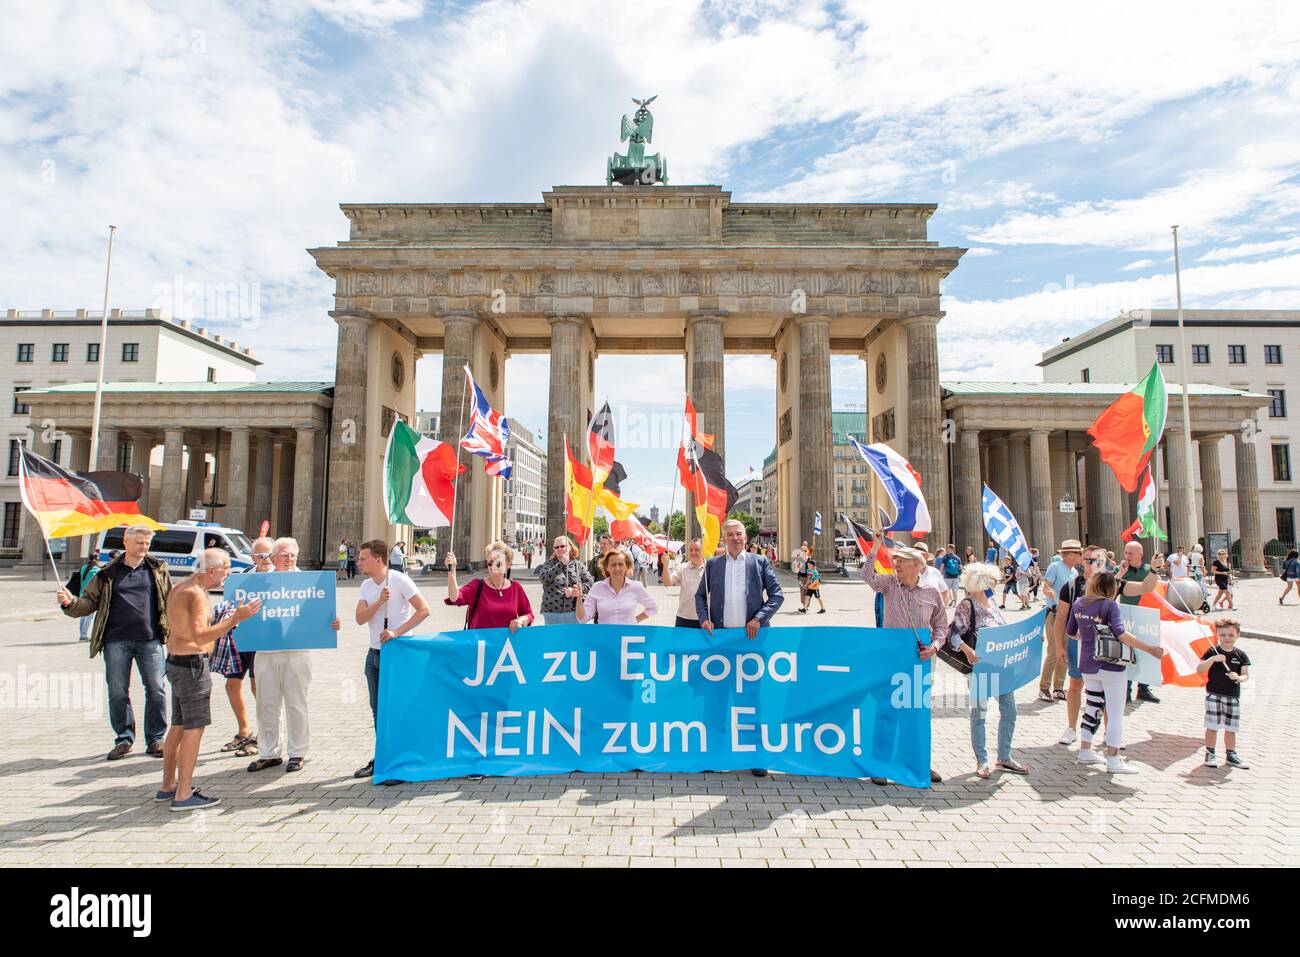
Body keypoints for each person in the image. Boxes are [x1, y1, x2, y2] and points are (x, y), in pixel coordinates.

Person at [57, 525, 172, 761]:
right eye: (140, 542)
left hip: (150, 639)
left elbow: (170, 600)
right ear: (126, 543)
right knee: (118, 691)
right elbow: (88, 604)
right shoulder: (107, 573)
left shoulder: (158, 569)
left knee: (156, 689)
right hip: (115, 640)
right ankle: (124, 738)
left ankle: (156, 738)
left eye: (147, 543)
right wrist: (69, 603)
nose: (144, 547)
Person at [158, 549, 261, 810]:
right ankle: (183, 794)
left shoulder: (182, 586)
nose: (229, 572)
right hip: (192, 666)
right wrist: (235, 619)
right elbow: (201, 637)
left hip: (177, 663)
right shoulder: (195, 594)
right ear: (211, 570)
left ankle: (168, 785)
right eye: (225, 567)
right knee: (194, 728)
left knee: (179, 726)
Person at [696, 520, 783, 777]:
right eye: (730, 535)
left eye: (739, 534)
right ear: (723, 538)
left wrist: (759, 618)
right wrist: (704, 619)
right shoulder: (713, 565)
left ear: (746, 537)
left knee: (751, 699)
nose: (735, 538)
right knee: (716, 699)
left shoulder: (759, 562)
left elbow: (777, 595)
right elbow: (700, 596)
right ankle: (714, 753)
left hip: (751, 642)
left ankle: (756, 755)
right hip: (721, 643)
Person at [248, 537, 340, 774]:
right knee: (266, 704)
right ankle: (268, 752)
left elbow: (322, 613)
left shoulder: (308, 582)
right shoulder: (258, 581)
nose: (288, 560)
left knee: (296, 703)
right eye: (284, 556)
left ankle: (297, 752)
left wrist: (332, 623)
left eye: (292, 556)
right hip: (265, 651)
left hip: (297, 652)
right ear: (274, 558)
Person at [861, 536, 946, 785]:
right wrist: (875, 547)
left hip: (920, 660)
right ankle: (879, 765)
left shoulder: (931, 593)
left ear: (917, 565)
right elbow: (867, 576)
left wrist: (935, 646)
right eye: (895, 559)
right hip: (891, 660)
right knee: (887, 711)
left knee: (918, 714)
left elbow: (941, 626)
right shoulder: (889, 585)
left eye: (901, 561)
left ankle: (921, 763)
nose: (896, 564)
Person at [1054, 545, 1158, 747]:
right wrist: (1059, 646)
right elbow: (1061, 619)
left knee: (1107, 693)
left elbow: (1146, 588)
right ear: (1082, 561)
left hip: (1109, 648)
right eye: (1089, 559)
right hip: (1081, 646)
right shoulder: (1071, 586)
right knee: (1076, 686)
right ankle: (1071, 729)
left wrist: (1153, 569)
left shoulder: (1113, 583)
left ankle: (1109, 734)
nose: (1093, 564)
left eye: (1098, 560)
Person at [1066, 571, 1163, 773]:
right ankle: (1113, 759)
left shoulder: (1079, 603)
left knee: (1092, 705)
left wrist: (1089, 637)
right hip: (1110, 665)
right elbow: (1121, 633)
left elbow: (1071, 633)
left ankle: (1085, 750)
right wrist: (1149, 649)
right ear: (1111, 589)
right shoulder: (1109, 605)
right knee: (1116, 712)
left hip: (1087, 664)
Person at [354, 539, 430, 780]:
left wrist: (398, 632)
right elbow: (359, 618)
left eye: (363, 558)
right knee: (378, 709)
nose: (359, 562)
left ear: (378, 560)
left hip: (397, 652)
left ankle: (401, 759)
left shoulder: (400, 580)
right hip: (374, 654)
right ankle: (383, 756)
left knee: (396, 707)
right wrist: (378, 602)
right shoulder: (366, 585)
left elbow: (424, 610)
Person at [951, 562, 1029, 779]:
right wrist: (967, 650)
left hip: (1001, 667)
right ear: (981, 582)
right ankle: (982, 760)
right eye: (992, 580)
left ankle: (1004, 756)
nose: (995, 584)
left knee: (1010, 711)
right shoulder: (967, 605)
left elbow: (1005, 632)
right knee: (979, 714)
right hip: (979, 667)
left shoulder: (992, 604)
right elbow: (954, 635)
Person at [1198, 618, 1250, 769]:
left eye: (1230, 635)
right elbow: (1200, 668)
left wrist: (1238, 677)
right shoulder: (1212, 651)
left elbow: (1246, 675)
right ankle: (1210, 752)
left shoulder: (1240, 654)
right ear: (1217, 635)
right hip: (1214, 694)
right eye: (1223, 635)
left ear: (1237, 636)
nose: (1227, 638)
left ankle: (1231, 754)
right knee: (1212, 725)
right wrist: (1213, 659)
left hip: (1232, 696)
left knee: (1231, 728)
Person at [445, 542, 533, 630]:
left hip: (507, 643)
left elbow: (528, 614)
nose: (493, 566)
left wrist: (522, 619)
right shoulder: (477, 586)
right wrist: (451, 571)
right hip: (481, 643)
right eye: (490, 563)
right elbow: (454, 598)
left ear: (508, 564)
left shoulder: (516, 588)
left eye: (498, 563)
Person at [1038, 540, 1083, 703]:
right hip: (1054, 614)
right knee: (1053, 650)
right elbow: (1045, 586)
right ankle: (1044, 687)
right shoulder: (1055, 567)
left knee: (1066, 651)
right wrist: (1048, 592)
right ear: (1069, 554)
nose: (1080, 556)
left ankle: (1058, 687)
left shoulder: (1075, 573)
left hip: (1069, 615)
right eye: (1078, 553)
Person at [1119, 541, 1162, 703]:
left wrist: (1155, 569)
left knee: (1146, 652)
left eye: (1131, 553)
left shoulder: (1148, 570)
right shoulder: (1121, 570)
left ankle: (1144, 689)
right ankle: (1126, 690)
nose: (1127, 556)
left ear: (1140, 554)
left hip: (1146, 616)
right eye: (1126, 552)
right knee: (1129, 653)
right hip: (1127, 616)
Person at [578, 546, 657, 624]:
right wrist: (579, 599)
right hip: (604, 635)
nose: (617, 568)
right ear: (607, 567)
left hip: (626, 635)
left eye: (621, 564)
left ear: (626, 567)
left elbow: (653, 608)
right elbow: (583, 619)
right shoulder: (597, 588)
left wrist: (634, 621)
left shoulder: (636, 587)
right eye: (613, 565)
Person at [536, 536, 593, 625]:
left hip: (574, 611)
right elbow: (544, 578)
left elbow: (590, 584)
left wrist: (576, 590)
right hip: (552, 612)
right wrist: (561, 563)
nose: (559, 549)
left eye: (562, 546)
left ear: (570, 547)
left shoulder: (578, 565)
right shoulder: (549, 564)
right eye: (556, 547)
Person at [663, 538, 706, 628]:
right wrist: (665, 566)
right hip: (683, 619)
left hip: (704, 619)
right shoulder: (682, 567)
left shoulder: (709, 568)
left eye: (697, 550)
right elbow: (667, 583)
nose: (693, 552)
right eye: (691, 550)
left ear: (703, 550)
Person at [68, 553, 101, 642]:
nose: (99, 561)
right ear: (95, 559)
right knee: (89, 616)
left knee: (83, 615)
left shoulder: (84, 567)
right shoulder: (96, 570)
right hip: (91, 595)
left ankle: (82, 634)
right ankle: (83, 635)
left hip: (82, 593)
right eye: (98, 559)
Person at [792, 541, 810, 610]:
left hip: (808, 577)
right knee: (802, 592)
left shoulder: (808, 557)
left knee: (807, 592)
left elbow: (810, 566)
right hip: (800, 577)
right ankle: (804, 606)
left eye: (804, 549)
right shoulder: (799, 557)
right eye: (802, 548)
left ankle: (806, 606)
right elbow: (796, 567)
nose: (803, 550)